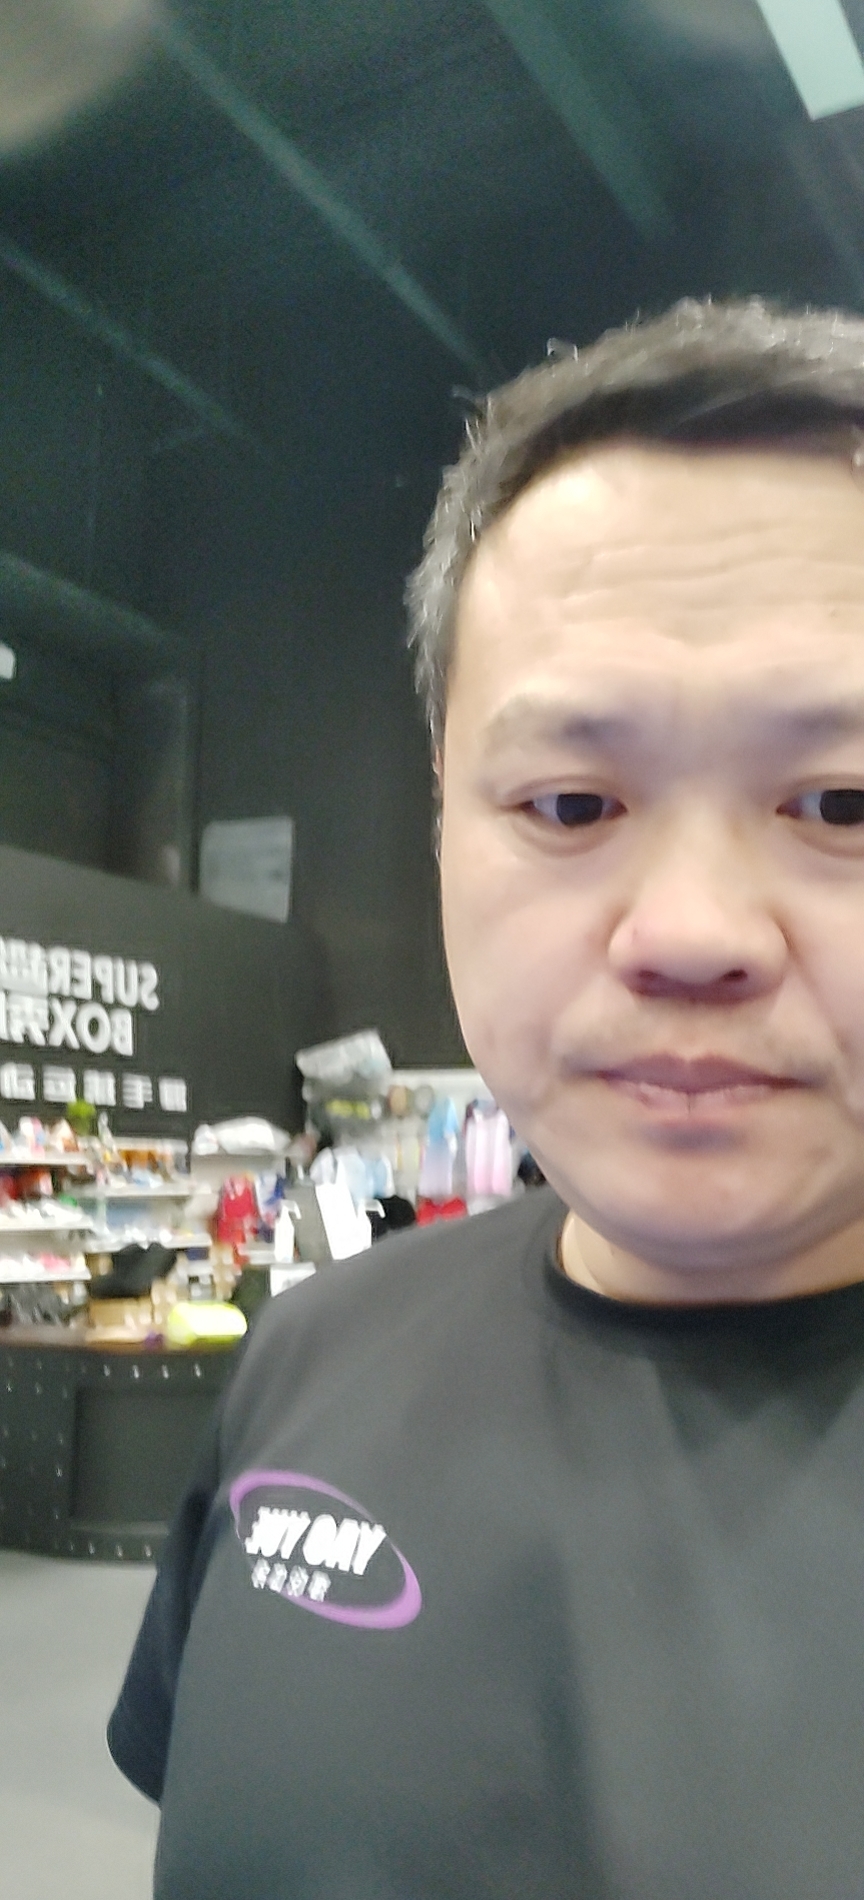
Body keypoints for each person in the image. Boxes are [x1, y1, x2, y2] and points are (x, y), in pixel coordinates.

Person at [110, 298, 864, 1898]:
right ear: (445, 822)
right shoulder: (311, 1357)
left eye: (843, 802)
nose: (691, 933)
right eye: (572, 804)